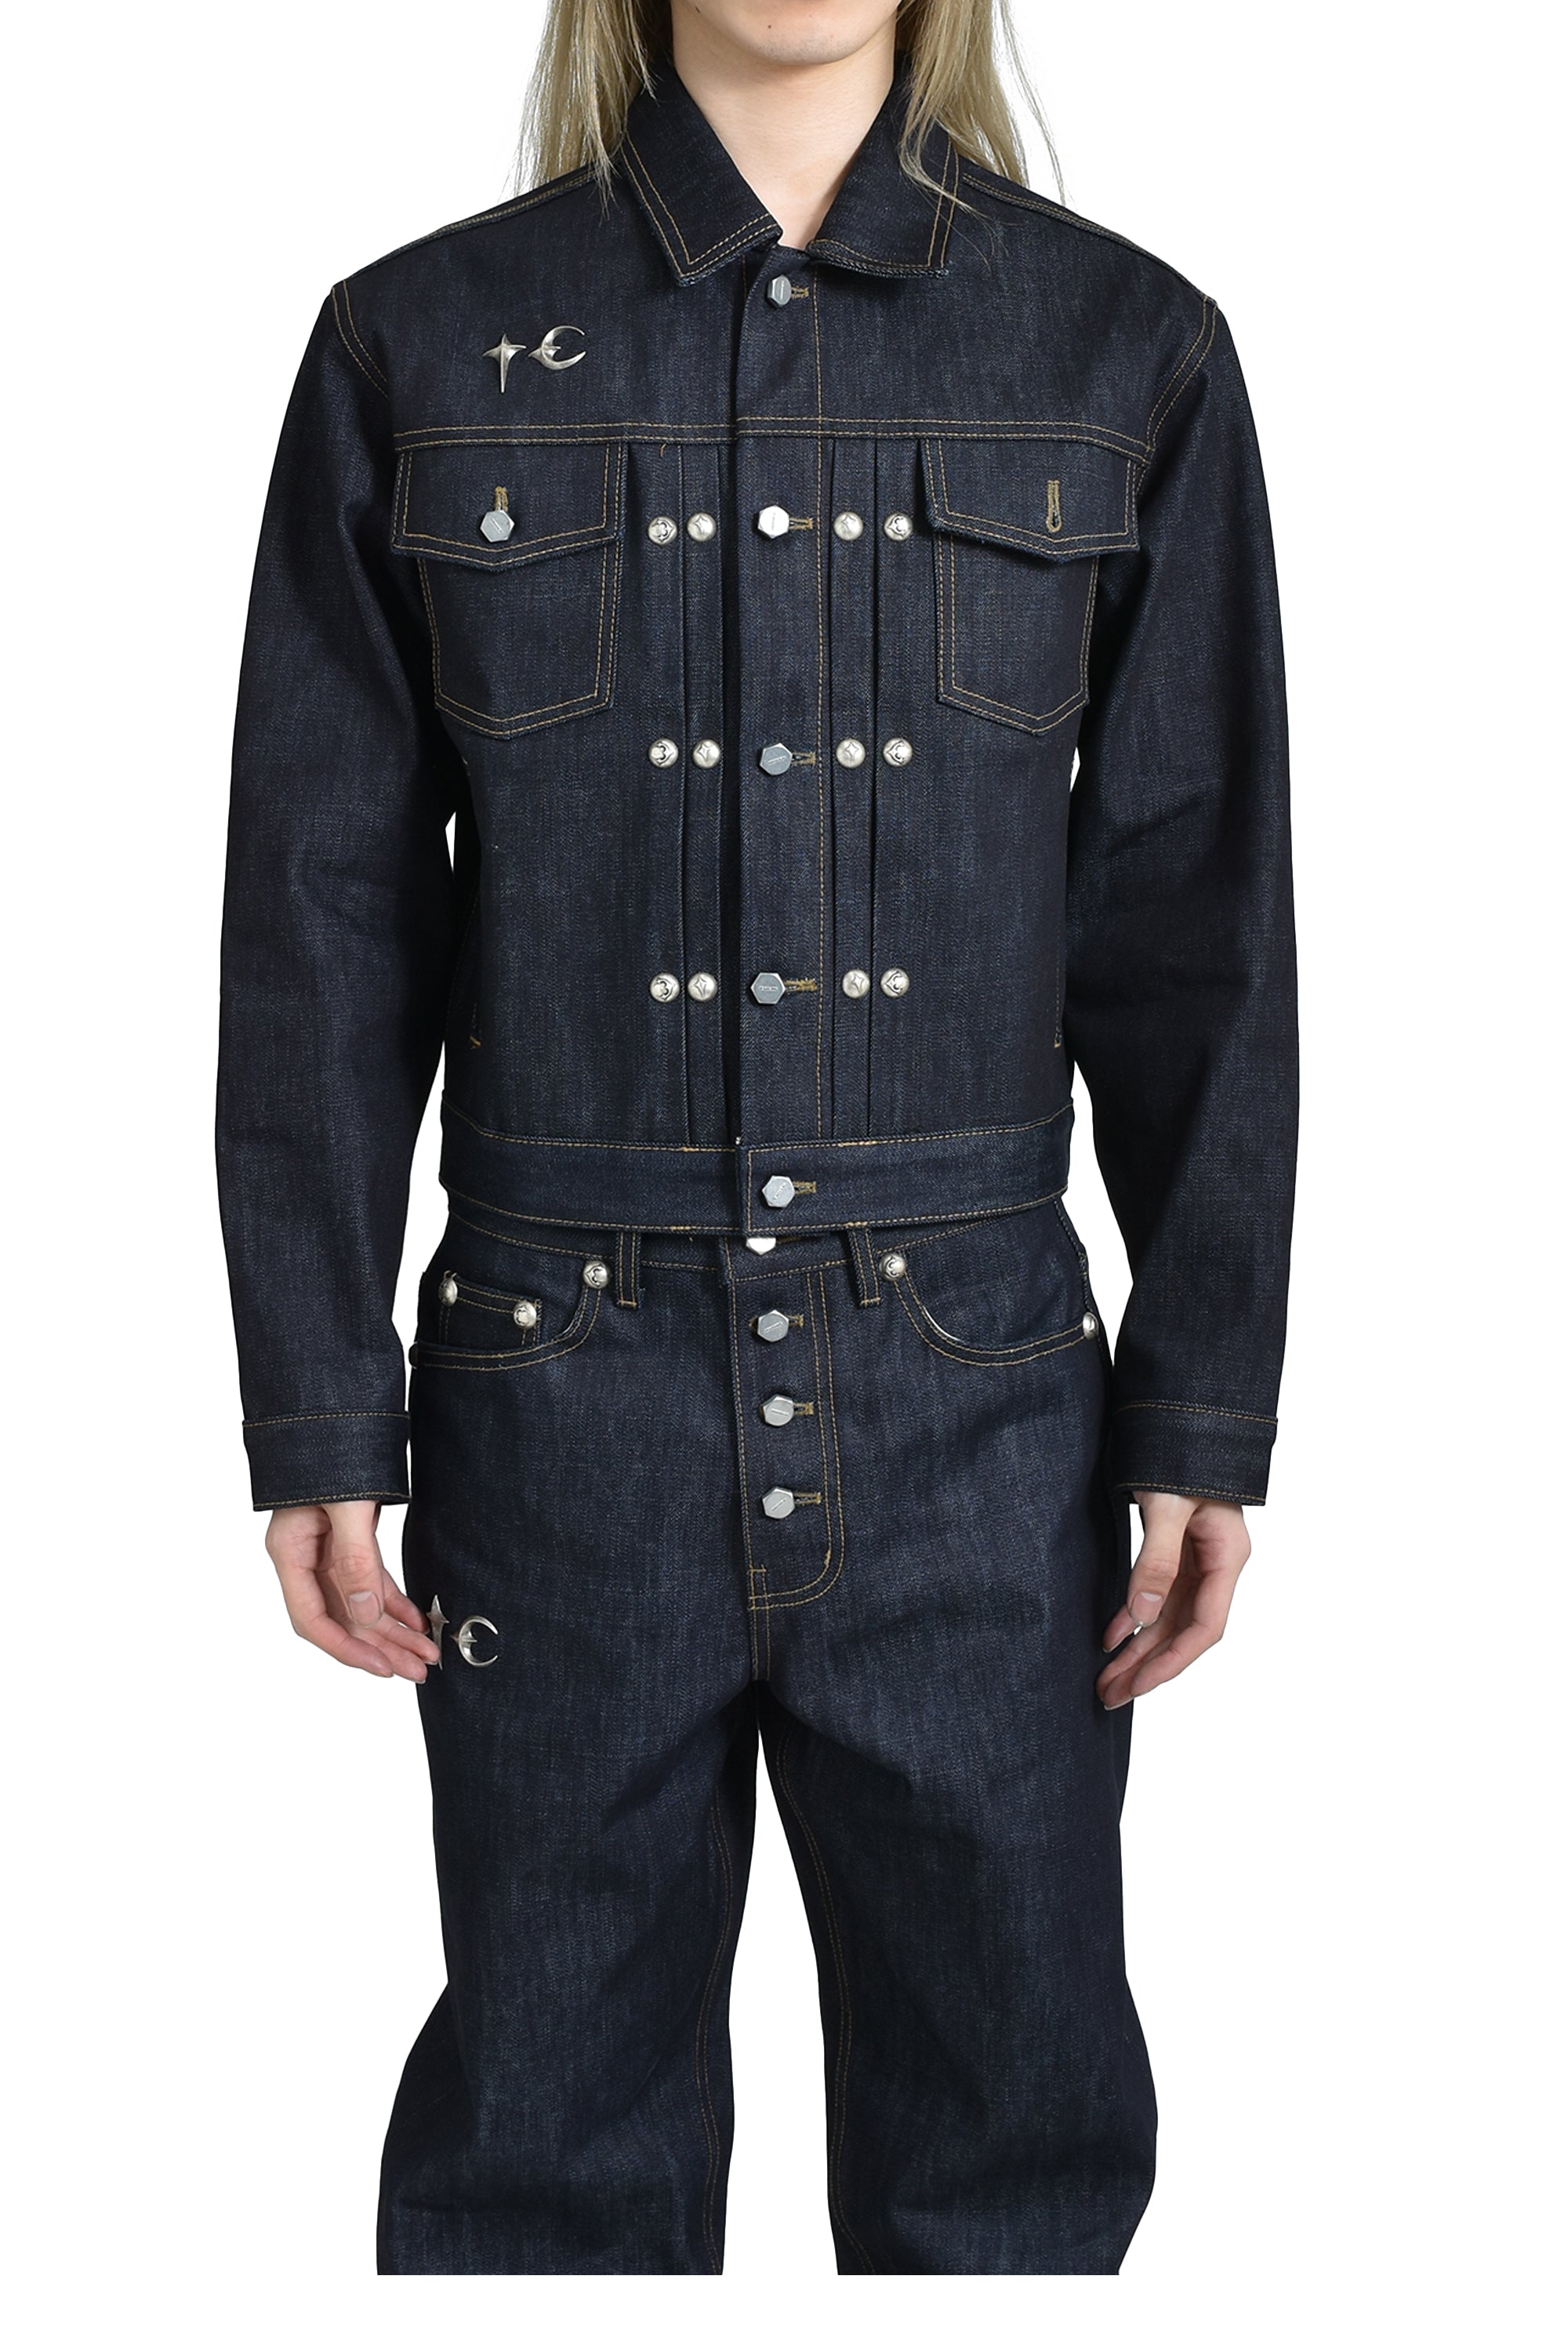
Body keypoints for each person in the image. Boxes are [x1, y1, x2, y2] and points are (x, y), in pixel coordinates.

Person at [217, 0, 1295, 2276]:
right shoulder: (420, 341)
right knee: (543, 2163)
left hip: (985, 1407)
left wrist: (1205, 1401)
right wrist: (314, 1401)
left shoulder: (1127, 348)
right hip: (554, 1393)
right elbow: (319, 925)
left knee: (1010, 2159)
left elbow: (1195, 925)